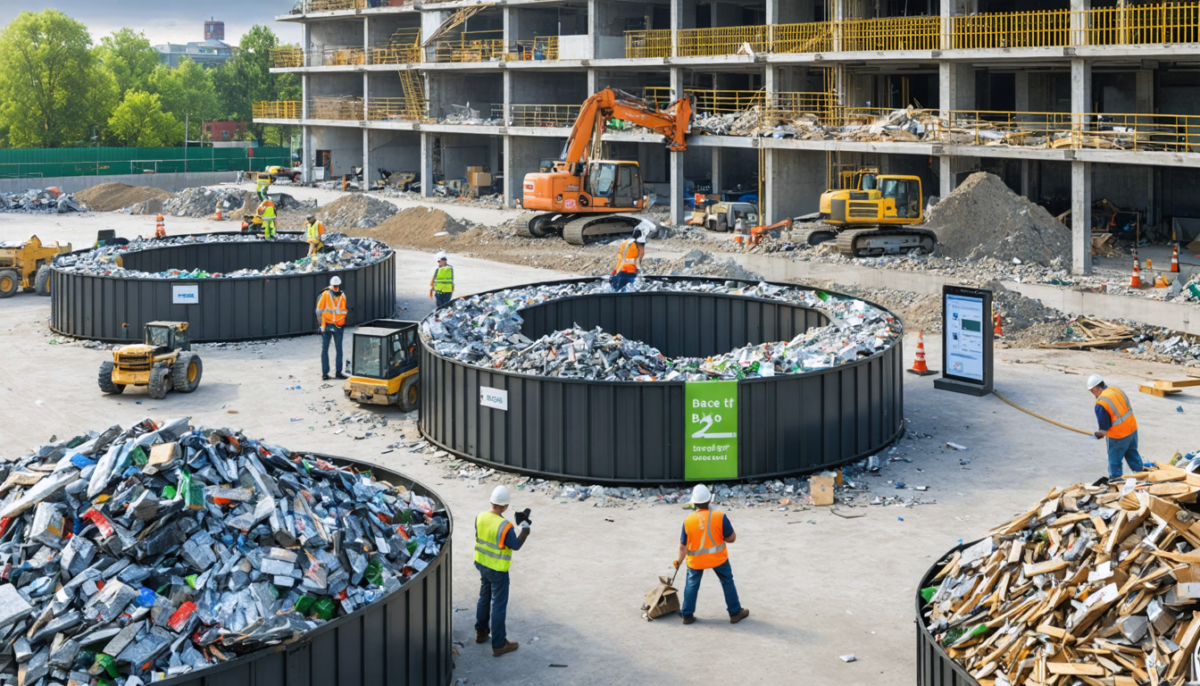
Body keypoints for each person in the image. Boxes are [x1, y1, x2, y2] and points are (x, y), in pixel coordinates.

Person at [673, 484, 749, 625]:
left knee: (691, 584)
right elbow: (731, 538)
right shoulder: (720, 517)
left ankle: (687, 615)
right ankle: (735, 612)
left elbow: (682, 546)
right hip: (718, 559)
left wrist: (678, 561)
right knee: (727, 581)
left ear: (694, 502)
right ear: (710, 501)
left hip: (696, 561)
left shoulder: (688, 521)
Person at [475, 485, 530, 658]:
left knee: (484, 597)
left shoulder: (480, 516)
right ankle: (499, 644)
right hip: (498, 570)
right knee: (498, 605)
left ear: (491, 501)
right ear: (505, 506)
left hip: (481, 564)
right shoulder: (505, 526)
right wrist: (525, 528)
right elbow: (515, 545)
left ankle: (481, 632)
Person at [1088, 374, 1144, 480]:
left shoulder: (1101, 403)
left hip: (1118, 436)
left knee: (1115, 462)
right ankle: (1142, 477)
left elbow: (1104, 427)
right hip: (1132, 429)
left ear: (1096, 389)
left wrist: (1099, 434)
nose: (1093, 394)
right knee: (1132, 453)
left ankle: (1115, 483)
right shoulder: (1116, 390)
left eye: (1092, 391)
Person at [316, 276, 348, 380]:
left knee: (326, 349)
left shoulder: (325, 295)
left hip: (329, 325)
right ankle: (337, 372)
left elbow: (318, 311)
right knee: (338, 349)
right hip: (337, 325)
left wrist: (321, 325)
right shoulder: (342, 295)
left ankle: (326, 373)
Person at [610, 223, 650, 292]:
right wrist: (640, 274)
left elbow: (621, 258)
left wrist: (615, 270)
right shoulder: (638, 248)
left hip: (620, 271)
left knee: (616, 292)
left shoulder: (624, 243)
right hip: (629, 274)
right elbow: (636, 262)